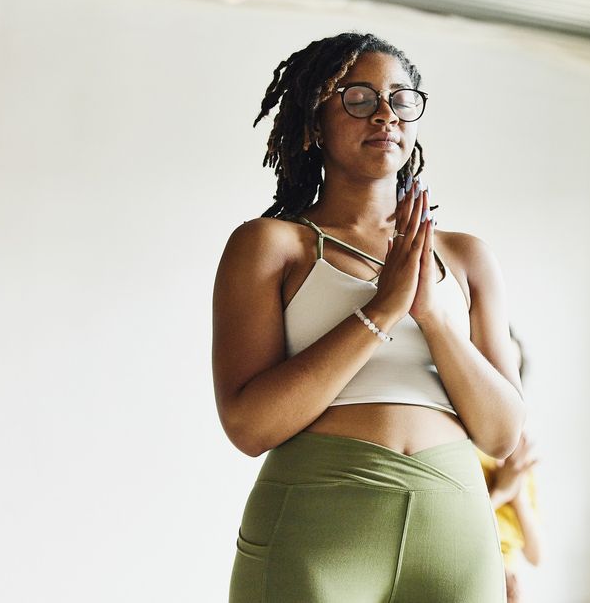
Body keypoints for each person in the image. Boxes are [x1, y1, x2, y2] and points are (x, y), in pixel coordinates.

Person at [211, 32, 526, 603]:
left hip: (452, 522)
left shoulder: (466, 257)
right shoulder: (271, 246)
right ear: (313, 126)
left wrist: (431, 314)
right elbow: (249, 426)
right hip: (317, 518)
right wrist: (382, 309)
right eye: (358, 98)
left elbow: (502, 435)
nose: (385, 115)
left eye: (401, 100)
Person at [477, 331, 542, 603]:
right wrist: (502, 492)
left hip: (508, 580)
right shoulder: (463, 443)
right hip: (476, 571)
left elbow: (536, 554)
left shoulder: (516, 454)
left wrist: (517, 494)